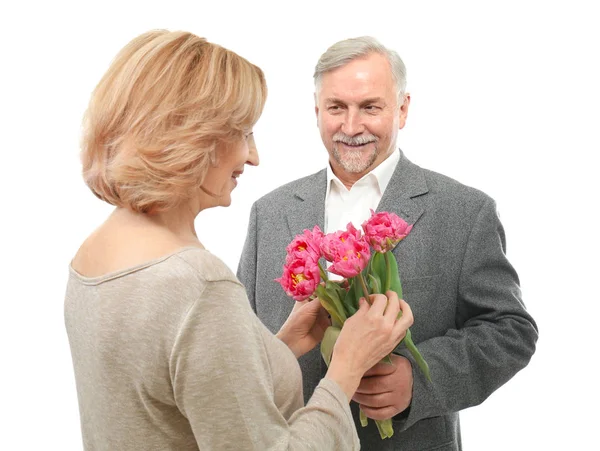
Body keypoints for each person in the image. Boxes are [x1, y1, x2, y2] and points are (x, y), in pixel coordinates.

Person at [64, 30, 416, 451]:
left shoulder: (92, 255)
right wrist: (345, 370)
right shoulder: (198, 284)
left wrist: (277, 347)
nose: (253, 156)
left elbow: (176, 397)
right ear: (195, 138)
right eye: (243, 133)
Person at [237, 36, 539, 450]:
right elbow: (243, 344)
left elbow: (511, 331)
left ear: (402, 109)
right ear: (316, 111)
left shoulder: (465, 210)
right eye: (336, 107)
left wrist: (420, 377)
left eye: (370, 107)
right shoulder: (267, 212)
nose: (351, 126)